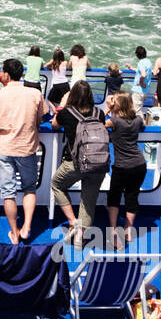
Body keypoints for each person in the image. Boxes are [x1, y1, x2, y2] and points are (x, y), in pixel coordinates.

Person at [0, 58, 47, 245]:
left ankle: (14, 233)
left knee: (8, 193)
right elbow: (41, 118)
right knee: (29, 189)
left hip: (5, 148)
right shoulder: (34, 93)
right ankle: (26, 228)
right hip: (27, 147)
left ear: (7, 75)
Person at [49, 81, 107, 245]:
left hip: (75, 163)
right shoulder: (99, 113)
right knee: (88, 199)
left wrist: (62, 105)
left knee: (57, 184)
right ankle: (80, 238)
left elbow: (54, 126)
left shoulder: (66, 113)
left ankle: (73, 221)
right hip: (98, 163)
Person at [105, 91, 145, 249]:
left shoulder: (114, 121)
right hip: (139, 165)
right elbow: (143, 125)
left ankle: (114, 231)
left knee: (114, 198)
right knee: (132, 197)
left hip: (122, 166)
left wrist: (108, 108)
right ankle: (128, 231)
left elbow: (97, 123)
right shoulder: (137, 120)